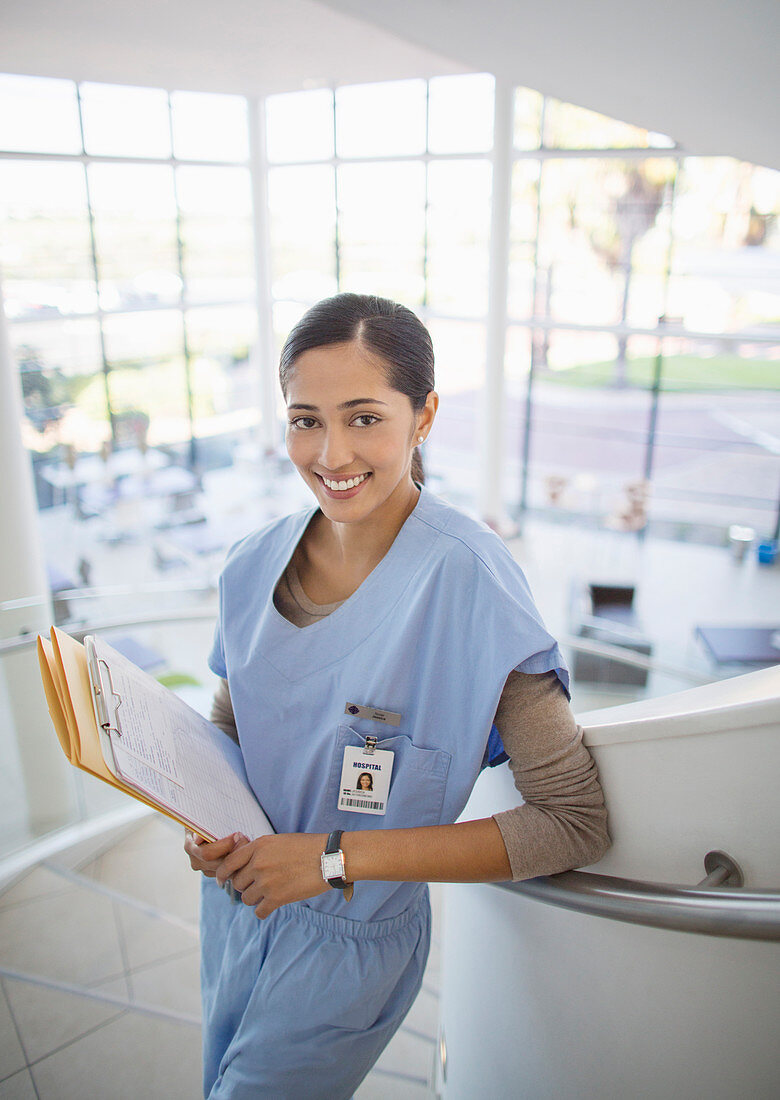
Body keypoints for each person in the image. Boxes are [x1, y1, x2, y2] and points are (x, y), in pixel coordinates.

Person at [184, 292, 610, 1099]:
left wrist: (334, 859)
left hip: (352, 949)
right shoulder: (249, 567)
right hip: (237, 911)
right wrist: (205, 823)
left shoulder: (473, 583)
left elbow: (573, 822)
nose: (331, 452)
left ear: (424, 417)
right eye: (304, 419)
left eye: (364, 417)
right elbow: (231, 726)